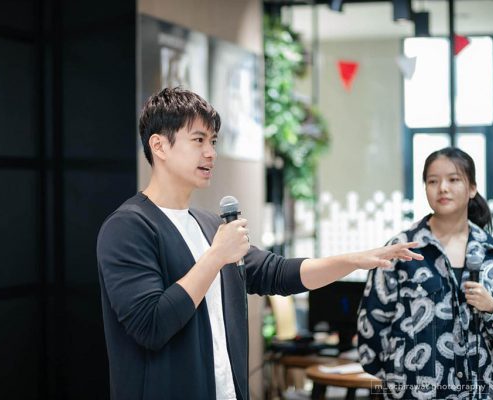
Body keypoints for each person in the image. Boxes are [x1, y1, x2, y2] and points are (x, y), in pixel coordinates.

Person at [97, 87, 422, 400]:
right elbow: (152, 325)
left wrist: (354, 260)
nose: (210, 152)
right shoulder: (128, 227)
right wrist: (216, 256)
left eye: (213, 141)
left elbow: (277, 273)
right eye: (198, 140)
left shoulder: (209, 225)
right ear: (159, 146)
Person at [357, 147, 493, 400]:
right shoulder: (401, 250)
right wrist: (399, 376)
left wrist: (492, 309)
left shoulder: (491, 253)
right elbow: (372, 326)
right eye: (433, 181)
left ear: (472, 188)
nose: (443, 188)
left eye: (454, 179)